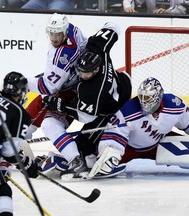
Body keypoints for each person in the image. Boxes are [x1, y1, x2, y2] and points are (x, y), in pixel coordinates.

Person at [88, 77, 189, 179]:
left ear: (158, 96)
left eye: (148, 97)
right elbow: (114, 133)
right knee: (98, 164)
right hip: (130, 148)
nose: (144, 101)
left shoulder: (174, 105)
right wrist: (110, 152)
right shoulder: (129, 110)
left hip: (159, 143)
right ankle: (80, 160)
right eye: (142, 97)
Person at [41, 21, 132, 180]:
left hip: (110, 108)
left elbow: (86, 116)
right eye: (80, 71)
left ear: (96, 69)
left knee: (83, 148)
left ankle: (95, 157)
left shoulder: (92, 90)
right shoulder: (97, 48)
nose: (82, 76)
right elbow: (114, 26)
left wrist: (61, 105)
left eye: (86, 74)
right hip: (124, 83)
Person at [25, 12, 87, 139]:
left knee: (48, 120)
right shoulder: (72, 29)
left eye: (58, 34)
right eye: (51, 33)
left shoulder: (63, 56)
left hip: (70, 91)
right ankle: (22, 137)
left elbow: (48, 88)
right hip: (70, 82)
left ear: (64, 32)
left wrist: (23, 83)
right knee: (30, 114)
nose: (54, 38)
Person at [0, 72, 40, 216]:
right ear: (21, 93)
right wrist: (27, 165)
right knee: (1, 191)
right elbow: (10, 152)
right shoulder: (20, 113)